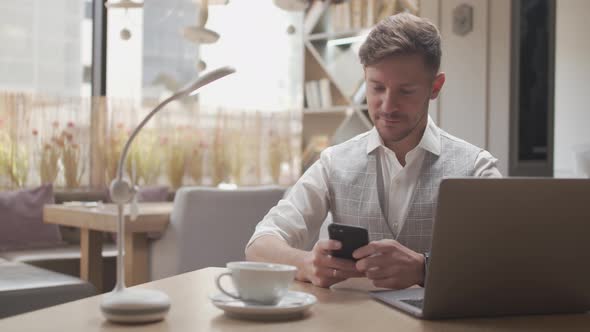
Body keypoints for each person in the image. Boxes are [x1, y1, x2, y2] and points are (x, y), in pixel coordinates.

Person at [245, 13, 501, 290]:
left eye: (406, 91)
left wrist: (423, 268)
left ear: (435, 87)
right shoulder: (333, 163)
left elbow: (508, 260)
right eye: (377, 87)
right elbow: (259, 245)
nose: (387, 106)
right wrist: (305, 263)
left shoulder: (476, 168)